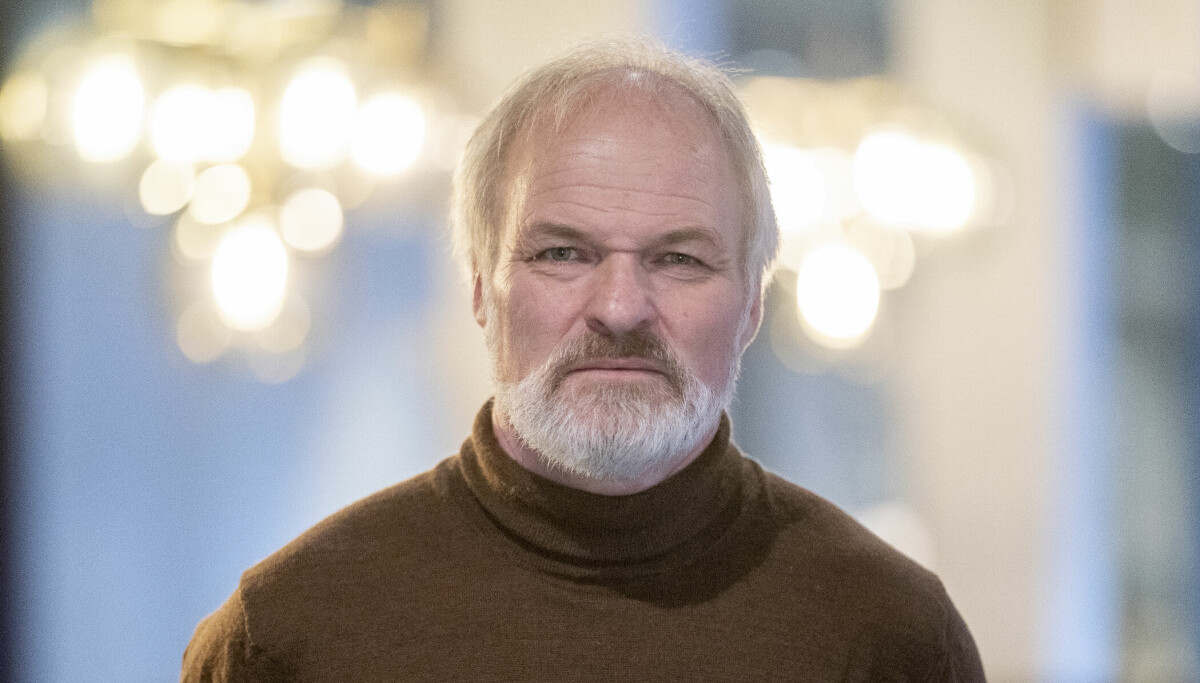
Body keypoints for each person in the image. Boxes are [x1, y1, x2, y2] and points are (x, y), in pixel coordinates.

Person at [182, 38, 985, 681]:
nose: (621, 307)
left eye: (680, 259)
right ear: (481, 289)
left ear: (751, 305)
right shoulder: (290, 630)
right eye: (563, 252)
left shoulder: (888, 632)